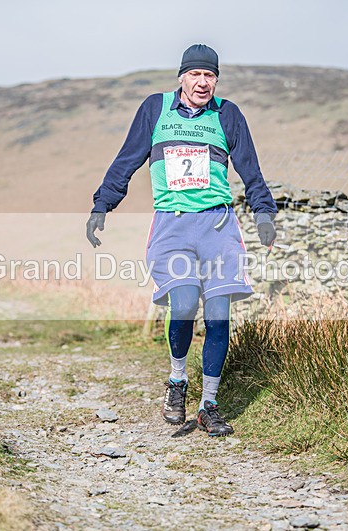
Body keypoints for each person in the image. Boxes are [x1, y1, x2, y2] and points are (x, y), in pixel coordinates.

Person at [86, 44, 277, 437]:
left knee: (220, 313)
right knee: (186, 301)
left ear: (216, 81)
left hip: (218, 226)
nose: (202, 82)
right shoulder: (155, 109)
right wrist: (103, 204)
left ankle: (209, 404)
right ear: (181, 77)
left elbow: (250, 169)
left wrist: (263, 211)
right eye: (195, 75)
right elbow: (128, 159)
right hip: (172, 225)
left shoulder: (228, 115)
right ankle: (177, 381)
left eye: (210, 76)